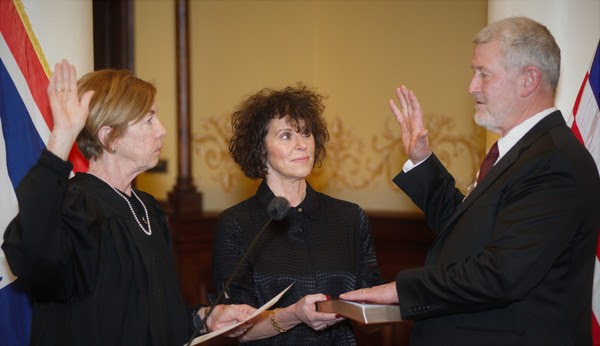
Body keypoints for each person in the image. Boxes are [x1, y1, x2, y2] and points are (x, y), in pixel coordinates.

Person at [340, 16, 600, 345]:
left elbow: (502, 273)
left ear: (528, 80)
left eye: (483, 74)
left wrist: (399, 290)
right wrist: (422, 161)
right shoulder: (523, 152)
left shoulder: (555, 161)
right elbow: (465, 231)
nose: (471, 86)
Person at [2, 60, 255, 346]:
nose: (162, 131)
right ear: (109, 138)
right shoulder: (76, 207)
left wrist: (203, 318)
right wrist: (62, 137)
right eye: (148, 120)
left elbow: (155, 321)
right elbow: (35, 258)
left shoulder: (147, 209)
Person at [211, 84, 383, 345]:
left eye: (307, 133)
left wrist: (399, 301)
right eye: (286, 136)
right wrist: (294, 315)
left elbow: (371, 315)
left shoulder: (349, 217)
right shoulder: (237, 223)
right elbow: (233, 329)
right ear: (260, 151)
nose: (302, 145)